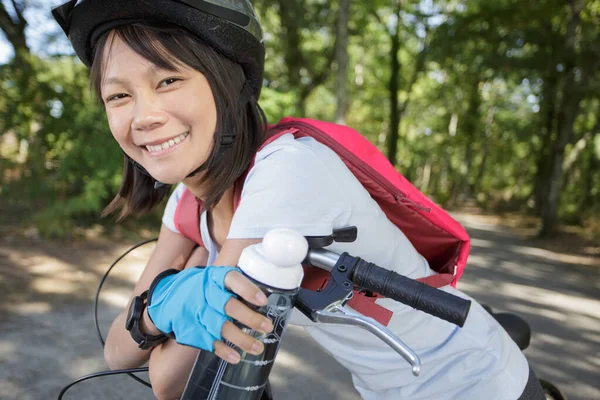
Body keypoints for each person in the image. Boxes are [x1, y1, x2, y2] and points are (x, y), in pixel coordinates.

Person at [52, 1, 545, 399]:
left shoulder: (286, 171)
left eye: (168, 80)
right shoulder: (186, 202)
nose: (144, 115)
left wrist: (172, 290)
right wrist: (161, 306)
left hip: (473, 381)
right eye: (118, 96)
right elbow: (118, 352)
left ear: (228, 85)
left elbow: (172, 380)